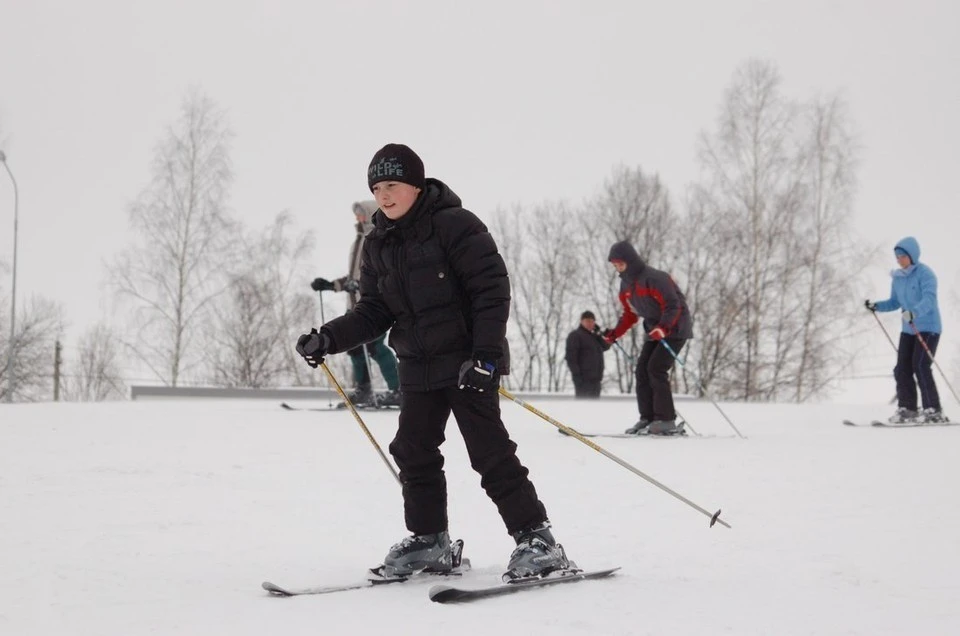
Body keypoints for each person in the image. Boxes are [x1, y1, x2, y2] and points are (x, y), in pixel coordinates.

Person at [296, 143, 573, 582]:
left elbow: (491, 291)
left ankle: (538, 540)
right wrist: (328, 337)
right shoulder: (378, 243)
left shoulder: (456, 226)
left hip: (467, 364)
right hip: (417, 365)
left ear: (416, 185)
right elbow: (373, 311)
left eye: (392, 185)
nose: (384, 195)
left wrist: (486, 357)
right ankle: (430, 540)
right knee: (413, 451)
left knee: (490, 453)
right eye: (377, 187)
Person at [310, 201, 401, 407]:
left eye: (361, 214)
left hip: (374, 307)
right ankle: (363, 390)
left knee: (375, 347)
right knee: (355, 349)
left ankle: (399, 389)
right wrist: (331, 285)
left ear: (370, 214)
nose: (357, 218)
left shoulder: (379, 237)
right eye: (357, 215)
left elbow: (381, 273)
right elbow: (353, 276)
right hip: (355, 306)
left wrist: (358, 284)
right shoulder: (359, 240)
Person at [602, 241, 693, 435]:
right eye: (615, 265)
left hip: (675, 327)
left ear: (631, 261)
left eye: (620, 264)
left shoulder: (654, 278)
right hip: (655, 330)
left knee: (656, 368)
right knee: (642, 370)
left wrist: (664, 327)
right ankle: (648, 418)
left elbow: (673, 305)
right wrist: (614, 333)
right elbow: (630, 314)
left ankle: (666, 419)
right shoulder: (625, 285)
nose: (617, 268)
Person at [865, 237, 947, 423]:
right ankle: (908, 409)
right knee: (901, 368)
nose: (899, 260)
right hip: (908, 329)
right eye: (897, 257)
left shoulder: (926, 274)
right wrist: (876, 306)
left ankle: (933, 410)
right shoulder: (898, 278)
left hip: (928, 327)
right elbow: (895, 302)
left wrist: (914, 312)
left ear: (912, 255)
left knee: (920, 365)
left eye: (902, 256)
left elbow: (929, 299)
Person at [565, 310, 610, 398]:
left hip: (596, 379)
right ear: (582, 321)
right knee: (583, 408)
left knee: (594, 409)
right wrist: (577, 376)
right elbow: (571, 358)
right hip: (583, 379)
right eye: (587, 321)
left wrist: (599, 334)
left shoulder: (595, 337)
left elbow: (605, 346)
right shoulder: (575, 335)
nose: (590, 323)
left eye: (592, 321)